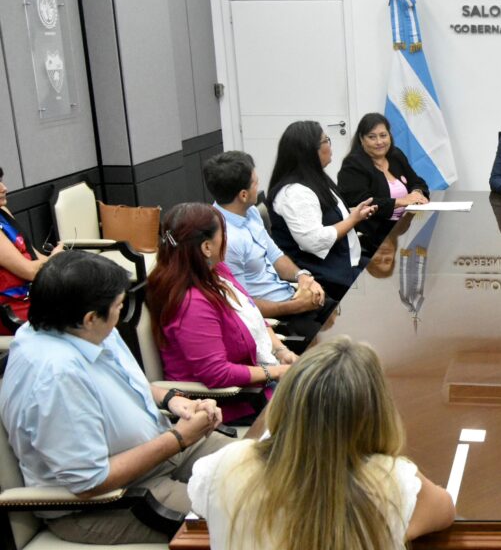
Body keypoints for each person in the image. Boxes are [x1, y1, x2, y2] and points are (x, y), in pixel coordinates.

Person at [187, 337, 456, 550]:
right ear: (376, 414)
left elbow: (205, 501)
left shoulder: (221, 467)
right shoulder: (393, 480)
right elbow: (445, 509)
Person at [0, 250, 229, 544]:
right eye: (119, 306)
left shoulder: (75, 326)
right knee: (244, 512)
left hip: (158, 451)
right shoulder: (55, 376)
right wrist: (180, 438)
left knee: (261, 465)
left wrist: (173, 400)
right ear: (90, 318)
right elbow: (89, 482)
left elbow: (125, 383)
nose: (121, 313)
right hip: (108, 503)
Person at [147, 203, 297, 425]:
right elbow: (217, 373)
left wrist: (281, 350)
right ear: (207, 247)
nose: (226, 238)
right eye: (223, 233)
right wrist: (275, 372)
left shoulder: (216, 272)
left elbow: (253, 315)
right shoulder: (192, 304)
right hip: (235, 406)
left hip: (261, 384)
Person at [205, 151, 338, 350]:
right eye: (255, 183)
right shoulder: (225, 240)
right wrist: (295, 306)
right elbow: (242, 306)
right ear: (243, 195)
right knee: (330, 349)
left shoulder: (249, 212)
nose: (259, 186)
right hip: (276, 317)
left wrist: (302, 277)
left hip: (290, 297)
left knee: (343, 314)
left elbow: (275, 255)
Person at [267, 121, 376, 301]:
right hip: (323, 275)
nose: (329, 145)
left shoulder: (315, 178)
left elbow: (326, 214)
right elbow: (313, 240)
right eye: (326, 140)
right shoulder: (295, 192)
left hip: (344, 262)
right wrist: (352, 220)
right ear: (310, 151)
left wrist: (354, 212)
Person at [338, 113, 429, 251]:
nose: (379, 141)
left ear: (390, 136)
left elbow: (417, 181)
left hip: (406, 226)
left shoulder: (395, 155)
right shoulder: (353, 165)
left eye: (383, 135)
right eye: (372, 137)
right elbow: (361, 202)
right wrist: (400, 201)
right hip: (375, 234)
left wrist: (416, 193)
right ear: (362, 139)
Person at [0, 166, 63, 331]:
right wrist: (55, 258)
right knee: (79, 318)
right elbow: (30, 271)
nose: (4, 188)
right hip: (10, 311)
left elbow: (34, 256)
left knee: (93, 302)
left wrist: (63, 259)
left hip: (33, 296)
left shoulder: (3, 211)